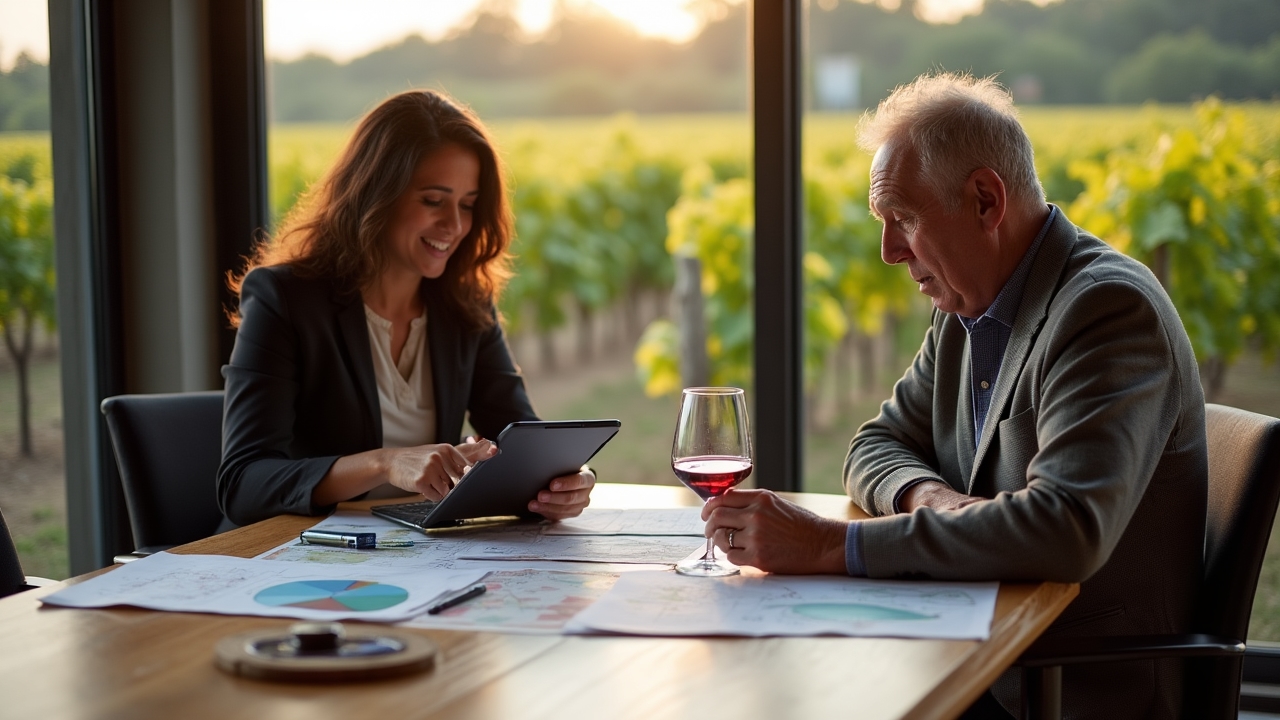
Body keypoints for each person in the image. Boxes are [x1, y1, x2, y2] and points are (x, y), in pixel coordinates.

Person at [702, 73, 1206, 718]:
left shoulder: (1106, 309)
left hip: (1068, 688)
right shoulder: (969, 306)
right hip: (979, 656)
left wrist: (833, 546)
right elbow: (875, 444)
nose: (888, 251)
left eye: (903, 218)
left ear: (985, 201)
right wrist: (932, 497)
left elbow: (1065, 531)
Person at [218, 90, 595, 527]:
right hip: (297, 555)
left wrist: (564, 483)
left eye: (468, 205)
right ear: (375, 194)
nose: (454, 225)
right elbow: (243, 484)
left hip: (416, 554)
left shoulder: (465, 305)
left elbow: (521, 441)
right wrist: (385, 463)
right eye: (433, 201)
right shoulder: (283, 298)